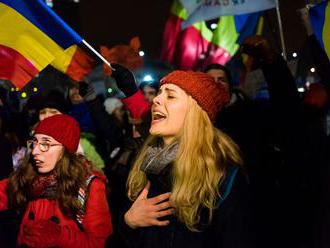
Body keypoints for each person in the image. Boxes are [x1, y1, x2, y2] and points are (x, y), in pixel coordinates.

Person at [120, 70, 255, 248]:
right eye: (159, 93)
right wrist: (129, 223)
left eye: (171, 96)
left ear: (196, 112)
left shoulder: (222, 177)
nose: (156, 100)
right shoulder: (144, 165)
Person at [0, 114, 112, 247]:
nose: (35, 151)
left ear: (65, 150)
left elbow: (99, 243)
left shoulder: (88, 186)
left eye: (45, 144)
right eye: (34, 143)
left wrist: (59, 236)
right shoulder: (28, 176)